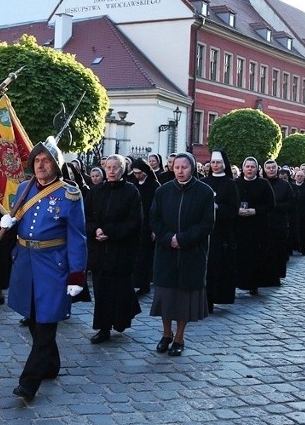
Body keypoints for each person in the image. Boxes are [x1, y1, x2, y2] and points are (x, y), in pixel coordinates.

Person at [2, 137, 87, 401]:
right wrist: (9, 222)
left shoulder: (69, 194)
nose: (40, 164)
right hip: (26, 261)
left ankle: (28, 383)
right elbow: (19, 219)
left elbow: (77, 237)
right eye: (37, 160)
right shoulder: (24, 189)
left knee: (46, 321)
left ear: (56, 164)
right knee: (33, 317)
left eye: (46, 160)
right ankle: (51, 364)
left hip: (53, 265)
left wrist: (77, 274)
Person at [149, 152, 214, 357]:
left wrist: (183, 239)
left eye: (184, 167)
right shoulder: (163, 191)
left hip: (191, 252)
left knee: (184, 298)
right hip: (166, 252)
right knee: (166, 296)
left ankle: (179, 337)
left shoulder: (204, 192)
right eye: (176, 167)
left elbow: (206, 224)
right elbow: (154, 219)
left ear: (192, 168)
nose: (180, 171)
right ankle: (166, 334)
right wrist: (169, 238)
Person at [85, 154, 142, 343]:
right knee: (101, 290)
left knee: (119, 289)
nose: (111, 171)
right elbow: (86, 217)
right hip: (99, 249)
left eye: (115, 167)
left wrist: (110, 232)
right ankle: (103, 327)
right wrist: (96, 230)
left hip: (120, 250)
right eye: (108, 167)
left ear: (123, 169)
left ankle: (119, 321)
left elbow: (134, 222)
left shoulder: (131, 192)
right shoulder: (95, 191)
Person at [202, 150, 239, 312]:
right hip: (204, 231)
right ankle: (202, 300)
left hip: (221, 232)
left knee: (217, 266)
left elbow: (233, 209)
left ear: (224, 164)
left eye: (218, 163)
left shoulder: (231, 184)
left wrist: (217, 207)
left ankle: (214, 298)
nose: (215, 166)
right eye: (213, 163)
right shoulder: (203, 182)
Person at [234, 156, 275, 295]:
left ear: (257, 169)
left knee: (255, 256)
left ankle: (254, 284)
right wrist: (237, 210)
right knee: (239, 255)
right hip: (239, 226)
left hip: (257, 225)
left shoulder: (263, 184)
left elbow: (271, 204)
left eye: (252, 167)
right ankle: (238, 282)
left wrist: (255, 211)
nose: (250, 169)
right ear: (243, 168)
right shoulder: (235, 183)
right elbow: (230, 202)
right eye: (247, 166)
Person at [263, 161, 295, 285]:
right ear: (265, 169)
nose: (271, 170)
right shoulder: (261, 183)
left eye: (273, 168)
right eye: (268, 168)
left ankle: (277, 276)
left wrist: (275, 206)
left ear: (277, 169)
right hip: (263, 223)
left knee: (278, 251)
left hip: (279, 223)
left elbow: (291, 203)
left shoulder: (285, 185)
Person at [130, 157, 159, 295]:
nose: (137, 176)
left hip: (148, 225)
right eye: (135, 173)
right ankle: (134, 282)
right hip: (134, 225)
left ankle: (144, 284)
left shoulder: (154, 186)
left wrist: (154, 229)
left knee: (144, 257)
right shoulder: (132, 184)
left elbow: (157, 209)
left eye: (139, 173)